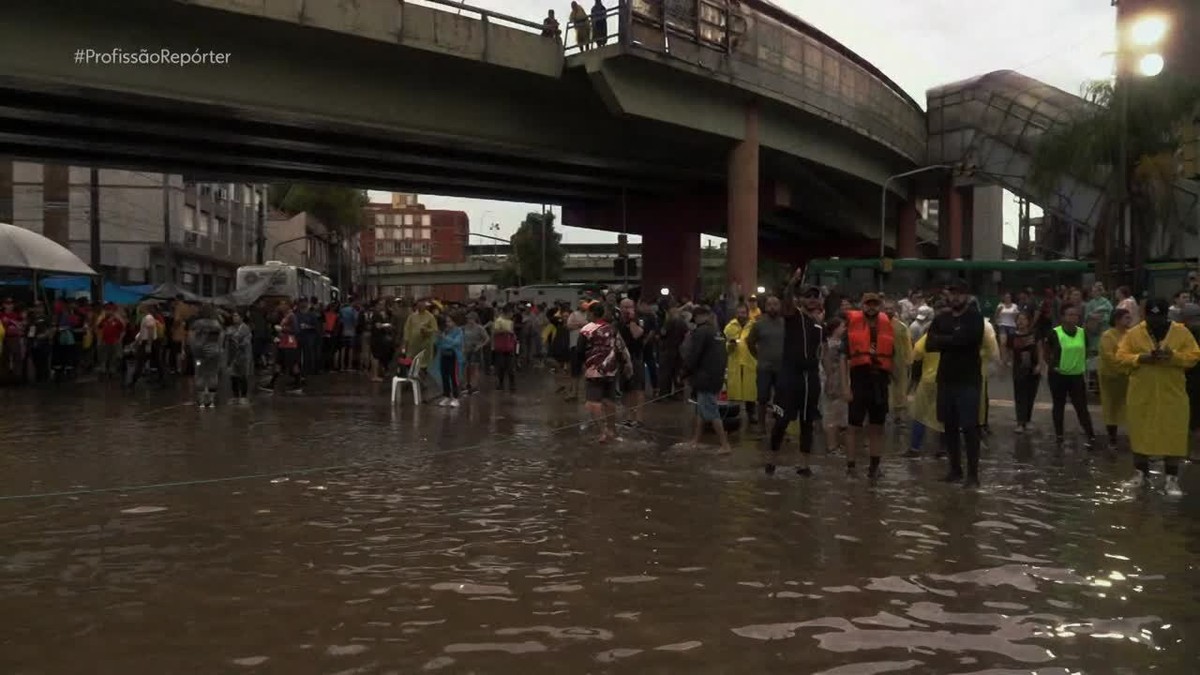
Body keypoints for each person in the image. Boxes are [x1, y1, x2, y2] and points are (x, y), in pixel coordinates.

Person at [1116, 298, 1200, 497]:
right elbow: (1120, 357)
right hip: (1142, 393)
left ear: (1166, 315)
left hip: (1172, 393)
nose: (1156, 321)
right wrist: (1141, 358)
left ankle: (1171, 479)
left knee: (1173, 434)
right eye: (1152, 317)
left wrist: (1174, 357)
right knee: (1140, 432)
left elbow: (1194, 355)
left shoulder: (1181, 332)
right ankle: (1140, 474)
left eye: (1160, 317)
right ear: (1146, 315)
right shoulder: (1134, 333)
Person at [926, 280, 984, 486]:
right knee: (949, 426)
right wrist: (954, 339)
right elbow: (930, 343)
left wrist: (947, 340)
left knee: (969, 427)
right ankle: (955, 470)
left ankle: (973, 475)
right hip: (946, 379)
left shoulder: (975, 318)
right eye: (952, 293)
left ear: (967, 296)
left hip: (968, 380)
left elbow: (970, 340)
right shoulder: (942, 317)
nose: (956, 297)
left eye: (960, 293)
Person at [766, 283, 824, 475]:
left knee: (807, 422)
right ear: (801, 299)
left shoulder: (820, 323)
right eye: (808, 296)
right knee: (782, 421)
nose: (813, 299)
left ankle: (804, 465)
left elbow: (825, 352)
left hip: (811, 377)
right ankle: (771, 461)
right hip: (790, 376)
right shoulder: (794, 315)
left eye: (816, 296)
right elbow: (787, 301)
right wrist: (791, 284)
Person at [842, 292, 894, 478]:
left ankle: (874, 466)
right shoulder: (852, 325)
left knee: (877, 426)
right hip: (859, 379)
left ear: (879, 306)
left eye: (874, 304)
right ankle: (851, 466)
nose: (871, 307)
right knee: (853, 426)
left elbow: (893, 358)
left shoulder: (887, 325)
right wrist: (846, 386)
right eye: (868, 304)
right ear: (862, 306)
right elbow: (844, 358)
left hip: (879, 381)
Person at [1041, 304, 1097, 448]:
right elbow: (1046, 352)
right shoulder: (1054, 333)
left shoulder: (1082, 333)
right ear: (1063, 317)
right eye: (1070, 314)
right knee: (1058, 406)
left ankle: (1091, 436)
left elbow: (1086, 350)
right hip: (1058, 376)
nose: (1073, 317)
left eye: (1076, 315)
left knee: (1081, 407)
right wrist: (1054, 366)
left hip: (1076, 376)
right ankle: (1059, 436)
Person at [680, 305, 732, 454]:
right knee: (701, 410)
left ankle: (724, 444)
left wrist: (683, 373)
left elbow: (693, 356)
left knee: (711, 411)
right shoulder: (718, 332)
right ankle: (696, 440)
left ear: (696, 317)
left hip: (704, 378)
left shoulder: (700, 332)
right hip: (716, 376)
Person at [578, 301, 631, 444]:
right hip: (611, 370)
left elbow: (579, 351)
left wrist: (576, 369)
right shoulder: (612, 329)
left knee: (592, 403)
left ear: (592, 314)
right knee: (609, 400)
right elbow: (621, 348)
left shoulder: (586, 330)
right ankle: (612, 430)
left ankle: (602, 433)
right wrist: (627, 364)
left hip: (594, 371)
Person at [746, 295, 785, 430]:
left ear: (780, 306)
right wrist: (758, 356)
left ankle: (779, 425)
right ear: (765, 307)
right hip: (764, 366)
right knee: (762, 397)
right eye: (770, 304)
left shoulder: (785, 323)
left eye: (775, 304)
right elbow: (750, 342)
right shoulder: (758, 324)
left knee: (781, 398)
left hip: (782, 367)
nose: (773, 307)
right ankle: (761, 425)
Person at [1097, 308, 1133, 445]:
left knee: (1127, 405)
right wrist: (1123, 366)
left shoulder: (1130, 334)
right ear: (1117, 320)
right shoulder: (1108, 335)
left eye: (1130, 318)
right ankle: (1112, 438)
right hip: (1110, 377)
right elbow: (1108, 356)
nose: (1129, 320)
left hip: (1126, 376)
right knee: (1111, 406)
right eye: (1126, 318)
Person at [723, 303, 758, 427]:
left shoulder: (754, 326)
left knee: (750, 390)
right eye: (739, 313)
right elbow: (726, 347)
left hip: (750, 361)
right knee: (734, 391)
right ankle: (733, 414)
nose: (741, 315)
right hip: (735, 362)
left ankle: (751, 413)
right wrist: (730, 344)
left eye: (743, 312)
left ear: (747, 313)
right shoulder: (729, 327)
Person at [616, 298, 648, 428]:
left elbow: (637, 334)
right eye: (624, 307)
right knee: (626, 389)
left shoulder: (639, 320)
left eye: (629, 307)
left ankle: (639, 419)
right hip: (622, 359)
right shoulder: (618, 322)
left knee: (638, 388)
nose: (626, 310)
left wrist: (631, 320)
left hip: (635, 357)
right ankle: (629, 417)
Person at [821, 317, 849, 455]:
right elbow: (827, 365)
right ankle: (831, 446)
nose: (845, 329)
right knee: (831, 415)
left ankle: (836, 444)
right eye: (842, 326)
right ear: (835, 329)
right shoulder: (829, 345)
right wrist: (830, 382)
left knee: (839, 415)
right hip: (832, 382)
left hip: (841, 381)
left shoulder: (841, 343)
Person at [1010, 312, 1041, 434]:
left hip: (1033, 368)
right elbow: (1009, 352)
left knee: (1030, 396)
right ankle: (1020, 423)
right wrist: (1004, 363)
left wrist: (1039, 364)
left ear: (1028, 321)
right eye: (1019, 319)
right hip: (1019, 369)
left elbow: (1040, 349)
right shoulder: (1012, 336)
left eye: (1023, 319)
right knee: (1020, 396)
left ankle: (1028, 420)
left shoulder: (1035, 334)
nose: (1021, 321)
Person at [189, 306, 225, 408]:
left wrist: (194, 351)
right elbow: (221, 339)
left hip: (199, 354)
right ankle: (211, 401)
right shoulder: (216, 324)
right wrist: (218, 348)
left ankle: (201, 402)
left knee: (200, 374)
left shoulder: (196, 324)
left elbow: (191, 339)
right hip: (214, 353)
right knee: (213, 374)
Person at [885, 301, 913, 428]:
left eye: (891, 308)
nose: (888, 311)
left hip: (899, 361)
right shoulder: (878, 324)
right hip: (882, 361)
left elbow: (908, 344)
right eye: (886, 309)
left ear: (895, 310)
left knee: (900, 388)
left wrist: (908, 361)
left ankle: (899, 416)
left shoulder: (901, 327)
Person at [435, 315, 464, 407]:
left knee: (454, 376)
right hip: (444, 355)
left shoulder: (458, 331)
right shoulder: (445, 331)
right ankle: (446, 396)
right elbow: (438, 343)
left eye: (450, 321)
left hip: (453, 356)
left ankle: (456, 397)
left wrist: (445, 338)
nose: (448, 324)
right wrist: (438, 338)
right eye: (447, 322)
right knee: (444, 376)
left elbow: (456, 343)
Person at [226, 310, 254, 404]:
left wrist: (236, 341)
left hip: (244, 356)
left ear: (241, 318)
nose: (235, 318)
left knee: (243, 376)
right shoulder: (230, 328)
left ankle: (243, 396)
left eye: (236, 316)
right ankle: (235, 395)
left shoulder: (246, 328)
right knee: (233, 376)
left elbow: (246, 342)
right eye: (233, 316)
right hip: (233, 356)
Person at [95, 302, 125, 381]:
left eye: (110, 310)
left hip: (114, 341)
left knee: (113, 357)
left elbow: (122, 329)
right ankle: (103, 370)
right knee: (104, 356)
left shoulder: (117, 321)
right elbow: (98, 326)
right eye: (107, 310)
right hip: (104, 341)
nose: (109, 312)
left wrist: (120, 339)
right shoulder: (104, 320)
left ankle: (112, 371)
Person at [461, 311, 489, 395]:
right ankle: (467, 384)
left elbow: (487, 338)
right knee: (466, 368)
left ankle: (474, 386)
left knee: (474, 367)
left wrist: (480, 345)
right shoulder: (464, 328)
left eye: (471, 319)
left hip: (475, 349)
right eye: (468, 319)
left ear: (475, 319)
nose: (469, 320)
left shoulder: (479, 328)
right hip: (466, 349)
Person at [492, 305, 518, 391]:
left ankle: (512, 384)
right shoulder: (499, 321)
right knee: (501, 367)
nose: (512, 314)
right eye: (511, 313)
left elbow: (512, 332)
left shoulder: (510, 322)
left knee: (511, 367)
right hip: (500, 347)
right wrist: (505, 331)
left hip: (509, 347)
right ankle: (500, 383)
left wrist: (514, 338)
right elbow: (495, 332)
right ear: (507, 312)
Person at [994, 293, 1019, 365]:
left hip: (1012, 326)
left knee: (1010, 344)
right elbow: (996, 315)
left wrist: (1016, 320)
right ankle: (1003, 359)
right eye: (1006, 297)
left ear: (1011, 298)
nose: (1007, 298)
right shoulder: (1000, 305)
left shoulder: (1014, 306)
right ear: (1004, 298)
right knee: (1003, 343)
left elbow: (1017, 316)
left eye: (1009, 297)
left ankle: (1010, 359)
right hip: (1002, 325)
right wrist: (997, 323)